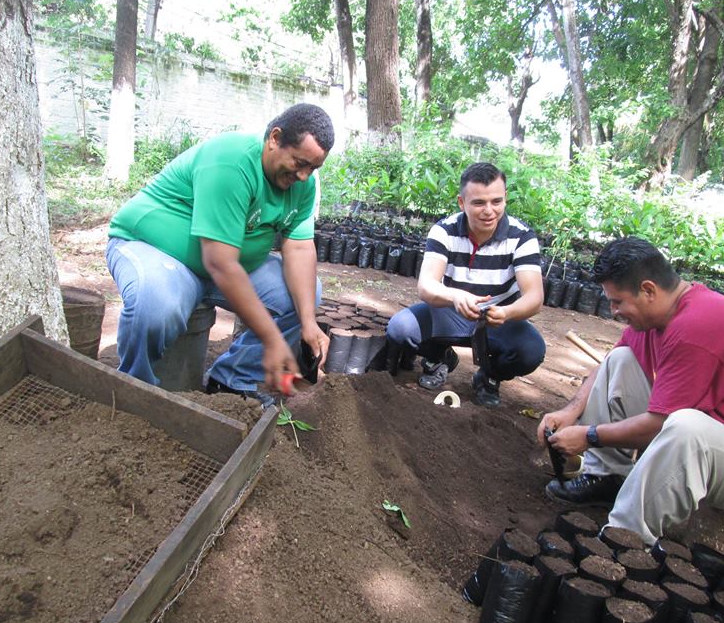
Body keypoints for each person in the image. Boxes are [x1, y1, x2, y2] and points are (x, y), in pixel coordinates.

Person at [538, 237, 724, 544]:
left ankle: (625, 539)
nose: (613, 311)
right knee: (619, 360)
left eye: (618, 301)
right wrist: (570, 411)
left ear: (649, 290)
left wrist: (588, 436)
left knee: (685, 429)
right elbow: (608, 364)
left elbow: (658, 426)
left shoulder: (694, 329)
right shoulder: (668, 313)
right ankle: (606, 477)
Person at [105, 103, 334, 404]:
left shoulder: (304, 184)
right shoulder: (231, 162)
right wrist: (272, 339)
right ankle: (135, 392)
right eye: (299, 163)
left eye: (313, 168)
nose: (304, 176)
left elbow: (300, 247)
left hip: (223, 264)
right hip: (155, 248)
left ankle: (231, 380)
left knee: (305, 294)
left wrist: (308, 322)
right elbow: (221, 264)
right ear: (275, 139)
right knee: (154, 306)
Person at [384, 162, 546, 407]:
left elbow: (534, 297)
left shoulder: (522, 236)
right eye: (478, 203)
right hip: (452, 312)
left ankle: (489, 376)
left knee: (531, 351)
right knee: (401, 329)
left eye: (496, 201)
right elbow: (426, 285)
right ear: (462, 203)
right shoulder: (444, 231)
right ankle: (440, 358)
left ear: (505, 198)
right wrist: (455, 297)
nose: (489, 211)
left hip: (498, 318)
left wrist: (506, 312)